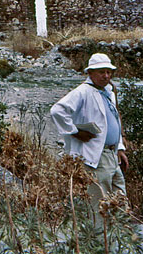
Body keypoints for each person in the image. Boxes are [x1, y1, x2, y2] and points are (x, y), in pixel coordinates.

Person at [50, 53, 128, 229]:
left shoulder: (108, 92)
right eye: (101, 72)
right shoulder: (83, 92)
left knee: (120, 197)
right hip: (96, 157)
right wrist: (75, 131)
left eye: (109, 72)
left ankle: (120, 236)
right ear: (91, 73)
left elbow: (114, 121)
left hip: (111, 154)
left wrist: (120, 148)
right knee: (99, 202)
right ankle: (101, 240)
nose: (106, 76)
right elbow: (57, 110)